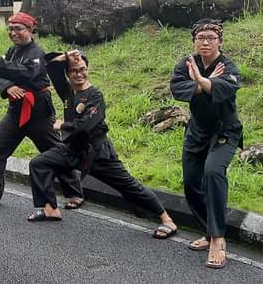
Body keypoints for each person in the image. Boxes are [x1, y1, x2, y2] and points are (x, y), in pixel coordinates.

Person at [26, 50, 178, 239]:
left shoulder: (95, 95)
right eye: (74, 70)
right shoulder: (67, 91)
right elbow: (50, 66)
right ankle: (50, 209)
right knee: (39, 163)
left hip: (96, 152)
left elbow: (85, 127)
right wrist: (66, 56)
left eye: (83, 69)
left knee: (129, 186)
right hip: (72, 149)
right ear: (68, 73)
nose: (79, 74)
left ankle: (167, 220)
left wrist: (62, 124)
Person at [0, 12, 84, 208]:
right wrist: (8, 87)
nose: (13, 33)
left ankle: (74, 193)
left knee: (55, 151)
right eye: (11, 29)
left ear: (30, 30)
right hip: (15, 111)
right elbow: (0, 73)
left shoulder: (37, 53)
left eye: (18, 29)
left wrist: (0, 62)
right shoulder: (12, 52)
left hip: (38, 111)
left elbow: (29, 73)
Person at [170, 19, 243, 269]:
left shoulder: (228, 65)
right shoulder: (187, 63)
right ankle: (208, 231)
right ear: (194, 41)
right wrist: (202, 82)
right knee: (191, 182)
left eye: (211, 37)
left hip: (225, 130)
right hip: (197, 131)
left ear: (220, 41)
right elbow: (177, 88)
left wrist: (201, 81)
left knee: (213, 172)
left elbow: (225, 87)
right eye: (200, 38)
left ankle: (218, 240)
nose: (205, 42)